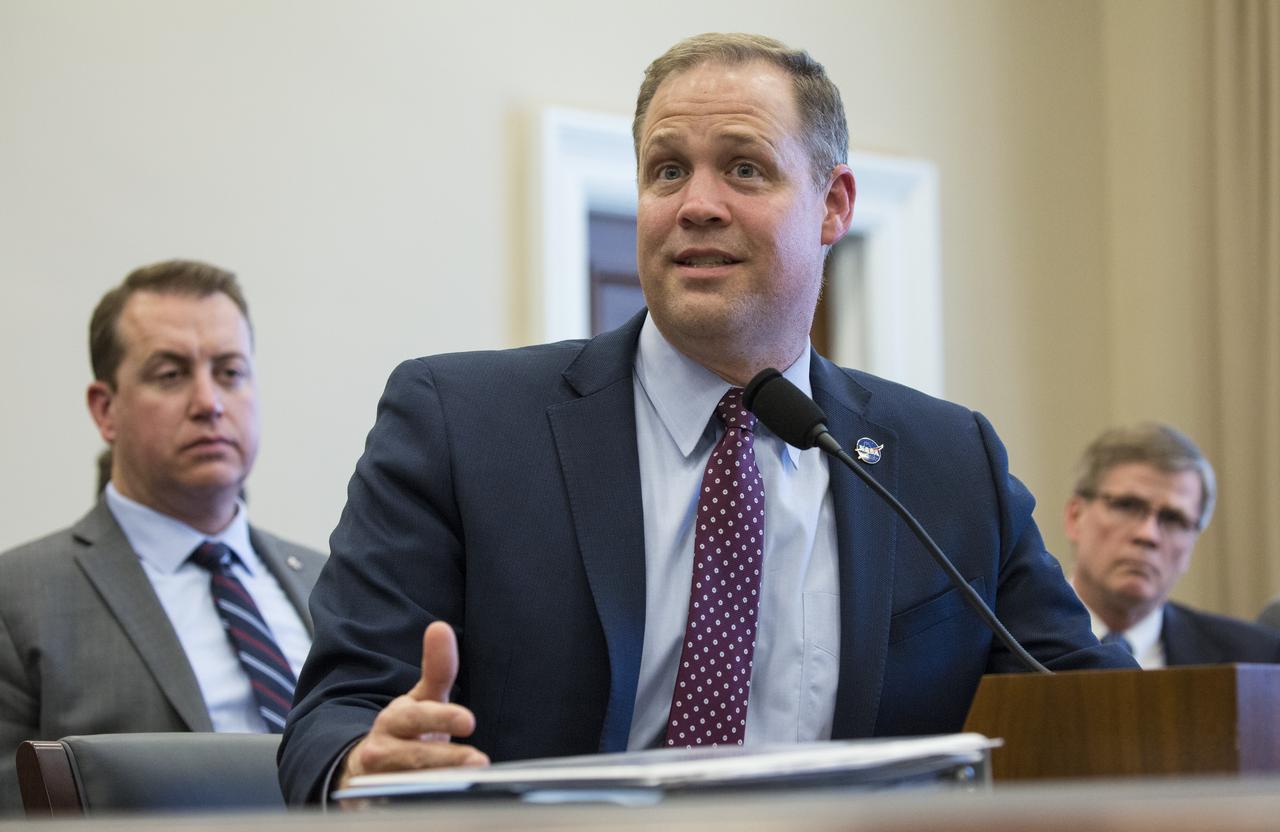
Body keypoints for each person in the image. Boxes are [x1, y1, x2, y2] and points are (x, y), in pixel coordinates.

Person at [278, 33, 1132, 804]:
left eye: (745, 168)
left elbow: (1100, 708)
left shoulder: (946, 459)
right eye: (667, 170)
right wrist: (362, 760)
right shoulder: (460, 425)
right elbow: (336, 709)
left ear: (834, 205)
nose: (697, 204)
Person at [0, 260, 326, 814]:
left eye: (230, 372)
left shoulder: (332, 582)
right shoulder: (19, 598)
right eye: (170, 375)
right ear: (106, 410)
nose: (209, 403)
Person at [1065, 423, 1280, 668]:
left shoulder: (1257, 658)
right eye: (1126, 505)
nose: (1148, 535)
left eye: (1173, 519)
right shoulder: (1016, 642)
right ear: (1075, 517)